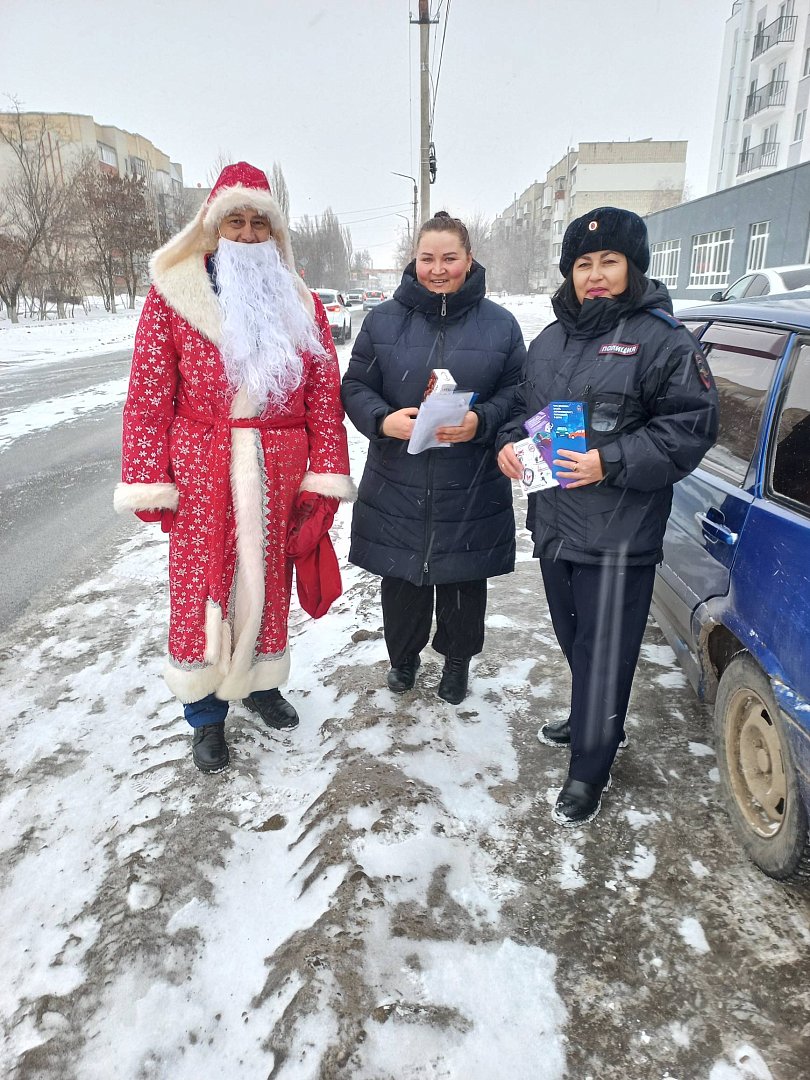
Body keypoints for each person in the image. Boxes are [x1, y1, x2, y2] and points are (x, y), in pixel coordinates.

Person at [115, 162, 354, 774]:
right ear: (213, 227)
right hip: (202, 467)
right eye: (235, 222)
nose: (248, 234)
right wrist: (149, 479)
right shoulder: (174, 296)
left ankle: (261, 683)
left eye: (259, 223)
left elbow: (323, 398)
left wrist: (325, 477)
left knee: (270, 580)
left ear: (275, 233)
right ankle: (205, 712)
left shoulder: (301, 302)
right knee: (203, 583)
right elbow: (148, 395)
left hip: (280, 467)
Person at [496, 206, 718, 826]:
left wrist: (610, 461)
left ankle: (590, 769)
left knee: (606, 652)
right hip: (555, 521)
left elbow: (690, 427)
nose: (594, 275)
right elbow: (524, 410)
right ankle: (594, 718)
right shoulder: (550, 339)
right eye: (583, 264)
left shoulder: (663, 340)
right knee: (576, 640)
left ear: (633, 267)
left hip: (621, 529)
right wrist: (509, 445)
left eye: (608, 262)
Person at [341, 211, 526, 704]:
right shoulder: (383, 321)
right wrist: (384, 420)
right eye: (428, 258)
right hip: (397, 476)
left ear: (469, 259)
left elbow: (519, 392)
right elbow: (355, 385)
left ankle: (457, 661)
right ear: (414, 260)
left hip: (470, 480)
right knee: (403, 578)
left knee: (463, 578)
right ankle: (403, 659)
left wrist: (481, 421)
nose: (438, 269)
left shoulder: (500, 325)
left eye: (449, 258)